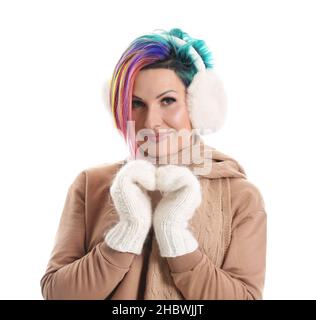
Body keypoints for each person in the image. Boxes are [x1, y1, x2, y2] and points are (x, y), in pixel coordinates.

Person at [40, 28, 267, 300]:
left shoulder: (240, 196)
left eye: (167, 100)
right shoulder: (90, 185)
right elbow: (57, 294)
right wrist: (127, 233)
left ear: (198, 104)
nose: (150, 122)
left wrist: (176, 238)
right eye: (136, 104)